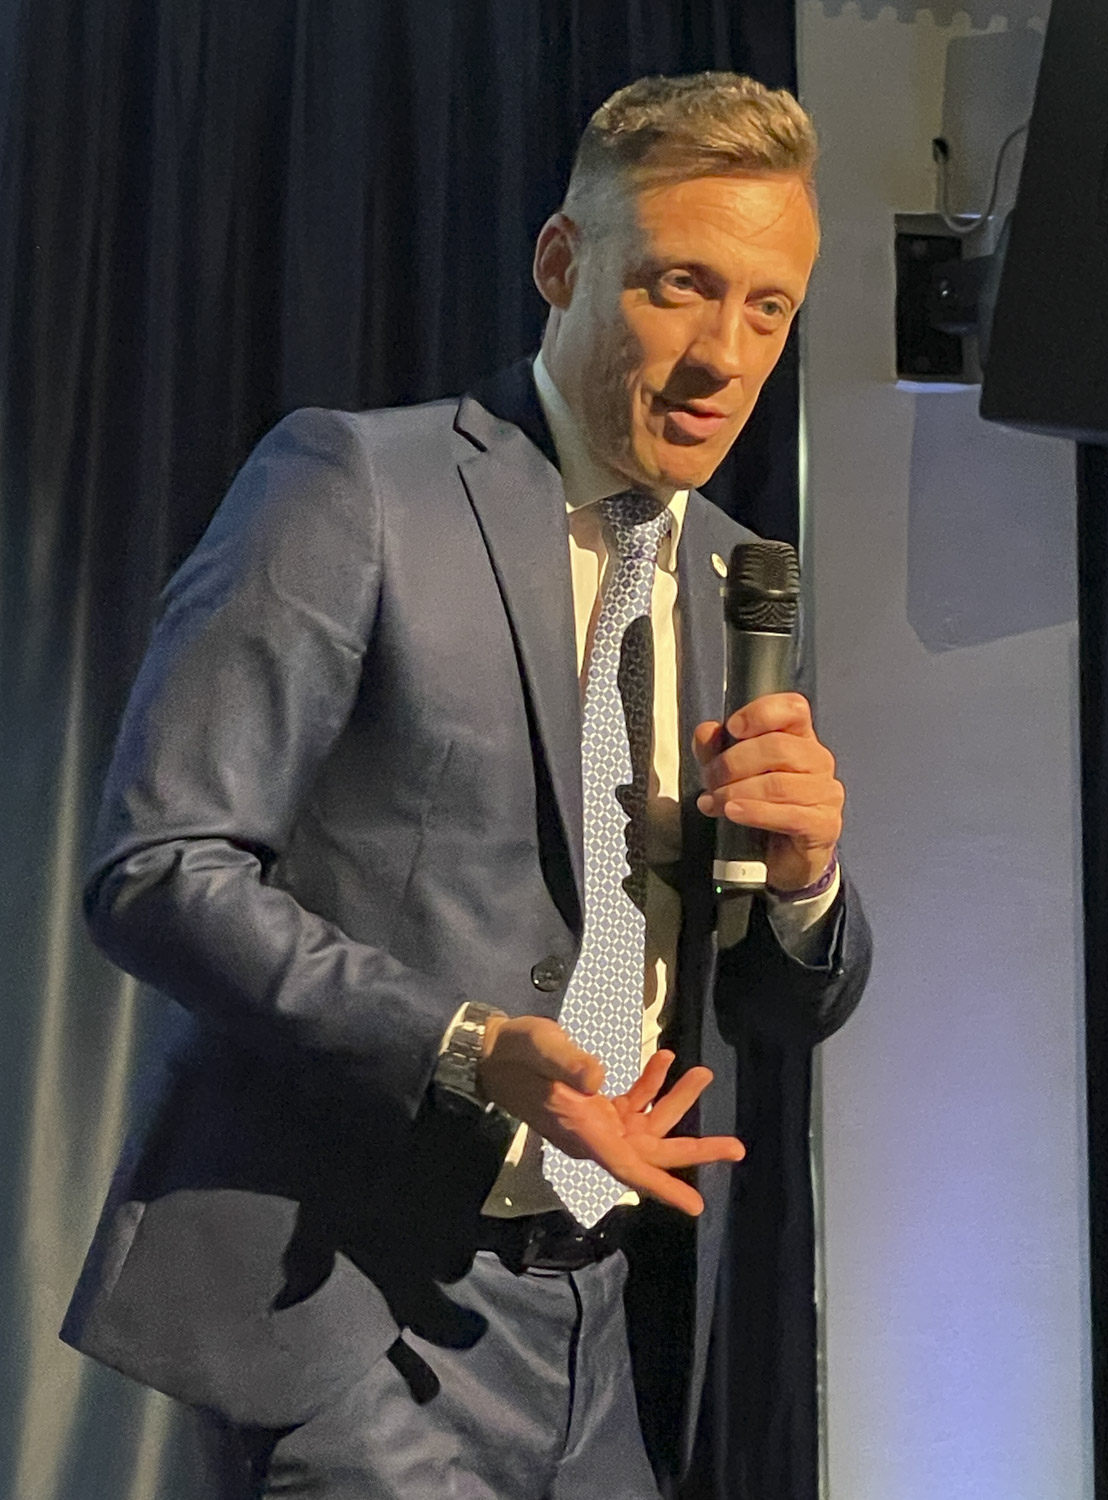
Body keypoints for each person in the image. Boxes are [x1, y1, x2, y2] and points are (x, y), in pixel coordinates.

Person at [62, 72, 871, 1498]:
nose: (723, 357)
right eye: (682, 286)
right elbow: (160, 868)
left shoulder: (733, 576)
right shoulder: (358, 485)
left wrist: (807, 889)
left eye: (768, 309)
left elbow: (774, 1007)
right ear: (562, 263)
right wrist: (460, 1044)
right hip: (349, 1314)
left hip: (612, 1335)